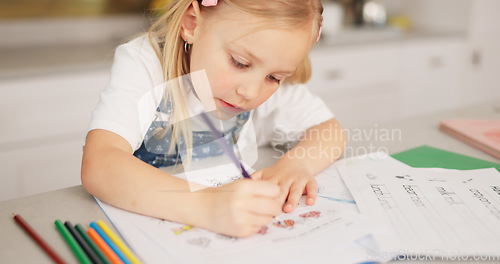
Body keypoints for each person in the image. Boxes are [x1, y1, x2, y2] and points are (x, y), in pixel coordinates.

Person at [82, 0, 346, 238]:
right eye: (240, 63)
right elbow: (100, 165)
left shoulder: (260, 71)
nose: (251, 92)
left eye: (274, 78)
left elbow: (331, 132)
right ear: (192, 23)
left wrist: (296, 165)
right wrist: (208, 207)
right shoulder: (145, 62)